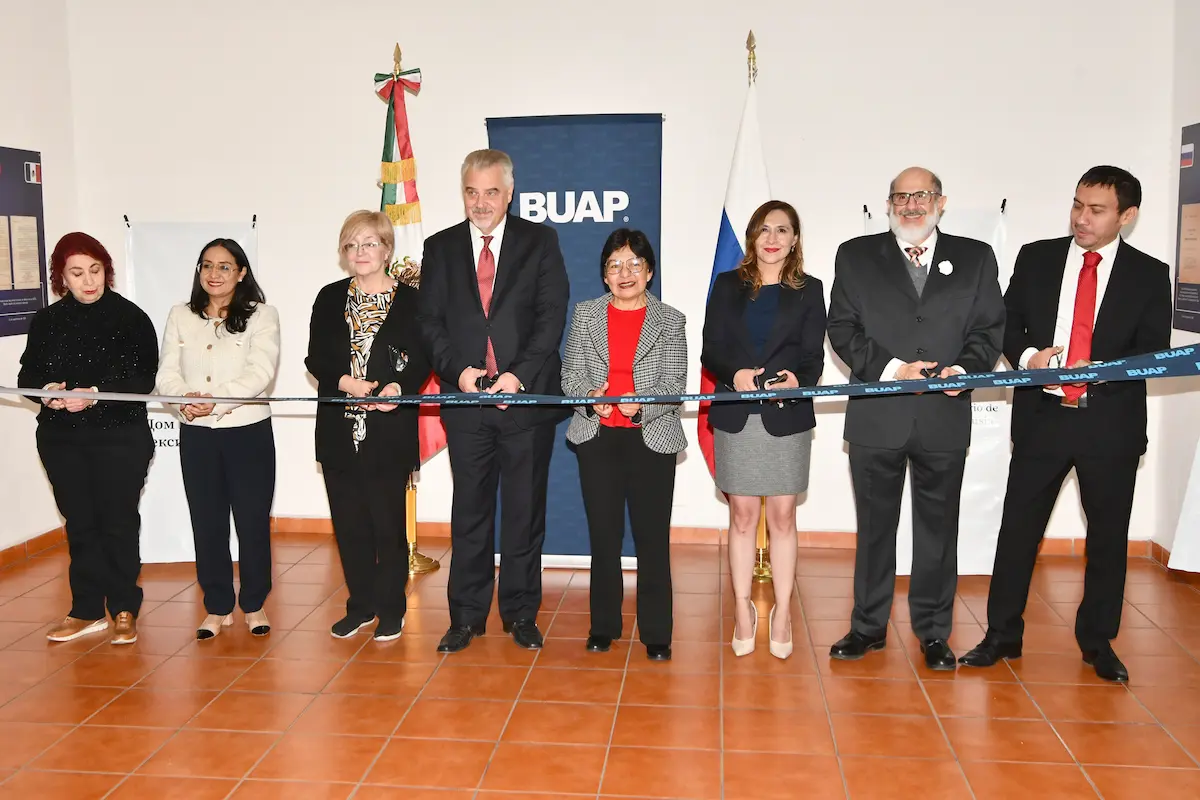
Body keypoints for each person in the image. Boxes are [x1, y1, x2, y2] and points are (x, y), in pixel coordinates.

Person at [960, 166, 1171, 683]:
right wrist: (1031, 357)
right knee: (1017, 533)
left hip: (1110, 425)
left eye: (1096, 210)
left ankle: (1098, 642)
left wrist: (1097, 372)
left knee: (1107, 538)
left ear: (1128, 216)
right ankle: (1001, 635)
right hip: (1043, 419)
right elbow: (1008, 324)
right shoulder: (1038, 257)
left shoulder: (1149, 273)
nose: (1081, 217)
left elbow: (1152, 350)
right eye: (1077, 204)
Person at [826, 167, 1004, 670]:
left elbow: (989, 330)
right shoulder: (856, 256)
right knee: (874, 528)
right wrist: (892, 369)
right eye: (900, 196)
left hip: (944, 417)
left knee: (937, 530)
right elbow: (842, 329)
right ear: (888, 204)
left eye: (921, 195)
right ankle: (867, 627)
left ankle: (932, 632)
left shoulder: (975, 257)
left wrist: (963, 371)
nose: (910, 205)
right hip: (877, 417)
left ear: (941, 202)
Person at [417, 149, 569, 653]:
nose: (481, 203)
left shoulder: (540, 242)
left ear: (509, 193)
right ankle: (465, 615)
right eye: (471, 192)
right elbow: (430, 323)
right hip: (465, 404)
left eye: (491, 192)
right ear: (463, 193)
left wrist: (518, 376)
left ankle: (521, 613)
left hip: (524, 402)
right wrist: (456, 372)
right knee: (470, 513)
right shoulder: (439, 248)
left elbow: (551, 316)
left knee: (524, 514)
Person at [17, 232, 158, 646]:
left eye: (95, 270)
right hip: (63, 440)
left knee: (117, 522)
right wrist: (51, 394)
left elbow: (145, 378)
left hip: (120, 438)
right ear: (62, 276)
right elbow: (27, 378)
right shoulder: (47, 320)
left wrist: (94, 394)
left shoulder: (131, 317)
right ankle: (86, 610)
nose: (88, 280)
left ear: (107, 270)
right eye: (77, 273)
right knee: (79, 523)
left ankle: (124, 608)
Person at [701, 200, 826, 660]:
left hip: (785, 415)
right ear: (752, 237)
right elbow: (710, 348)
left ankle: (784, 612)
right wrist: (733, 374)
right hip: (737, 414)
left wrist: (799, 382)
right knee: (741, 519)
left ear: (795, 240)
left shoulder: (810, 290)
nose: (772, 239)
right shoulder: (726, 285)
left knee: (784, 519)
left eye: (783, 230)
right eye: (764, 230)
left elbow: (812, 357)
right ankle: (742, 610)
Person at [305, 210, 432, 642]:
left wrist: (397, 387)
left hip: (388, 430)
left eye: (370, 243)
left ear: (387, 249)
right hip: (339, 430)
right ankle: (360, 605)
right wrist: (346, 384)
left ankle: (392, 609)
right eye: (352, 245)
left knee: (387, 527)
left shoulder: (414, 301)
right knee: (350, 525)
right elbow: (316, 358)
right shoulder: (328, 297)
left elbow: (423, 357)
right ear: (344, 253)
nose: (361, 252)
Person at [562, 229, 686, 661]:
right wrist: (590, 399)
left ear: (649, 271)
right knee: (604, 538)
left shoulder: (671, 320)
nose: (625, 273)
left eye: (635, 264)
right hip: (598, 438)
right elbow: (569, 377)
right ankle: (604, 626)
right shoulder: (585, 315)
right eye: (615, 265)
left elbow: (674, 385)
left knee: (652, 540)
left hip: (651, 440)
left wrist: (642, 407)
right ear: (604, 275)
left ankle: (656, 633)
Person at [156, 238, 280, 640]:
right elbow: (167, 374)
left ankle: (255, 604)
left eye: (225, 267)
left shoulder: (262, 315)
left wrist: (216, 402)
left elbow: (260, 372)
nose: (214, 274)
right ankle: (217, 606)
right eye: (207, 265)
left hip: (248, 433)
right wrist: (183, 404)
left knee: (251, 522)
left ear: (241, 273)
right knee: (207, 522)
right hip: (197, 436)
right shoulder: (181, 315)